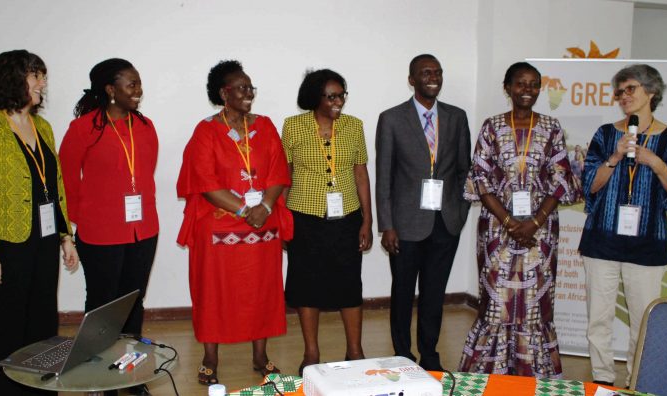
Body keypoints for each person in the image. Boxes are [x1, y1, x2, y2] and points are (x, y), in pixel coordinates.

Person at [0, 49, 78, 395]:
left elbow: (55, 185)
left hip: (41, 240)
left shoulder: (42, 126)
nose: (42, 83)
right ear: (12, 79)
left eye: (42, 76)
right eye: (34, 75)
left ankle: (38, 390)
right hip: (3, 243)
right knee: (2, 328)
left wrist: (65, 236)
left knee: (42, 324)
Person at [458, 62, 580, 378]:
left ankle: (532, 372)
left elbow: (562, 177)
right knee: (497, 300)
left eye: (534, 84)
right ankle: (491, 371)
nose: (527, 90)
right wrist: (511, 223)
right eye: (520, 83)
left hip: (541, 232)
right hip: (498, 229)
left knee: (535, 303)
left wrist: (535, 222)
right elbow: (479, 177)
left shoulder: (552, 127)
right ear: (508, 87)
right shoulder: (492, 126)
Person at [579, 64, 667, 386]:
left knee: (643, 321)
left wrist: (657, 164)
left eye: (631, 89)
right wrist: (615, 158)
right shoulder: (606, 134)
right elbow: (589, 185)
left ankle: (634, 383)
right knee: (598, 319)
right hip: (601, 241)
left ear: (651, 92)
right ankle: (602, 380)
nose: (624, 96)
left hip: (647, 244)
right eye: (620, 91)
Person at [177, 60, 292, 385]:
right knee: (213, 292)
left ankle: (260, 356)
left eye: (250, 88)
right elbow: (206, 183)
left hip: (262, 224)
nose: (248, 94)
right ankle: (210, 357)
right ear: (223, 93)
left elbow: (278, 172)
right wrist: (245, 211)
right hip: (219, 228)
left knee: (262, 292)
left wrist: (266, 206)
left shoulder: (265, 126)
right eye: (241, 88)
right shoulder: (206, 130)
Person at [59, 58, 158, 396]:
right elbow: (67, 181)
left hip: (143, 230)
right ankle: (101, 379)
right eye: (131, 84)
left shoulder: (144, 126)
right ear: (110, 90)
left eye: (139, 83)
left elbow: (144, 176)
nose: (138, 90)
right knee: (103, 308)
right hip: (100, 232)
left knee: (134, 302)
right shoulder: (84, 128)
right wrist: (78, 222)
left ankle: (131, 374)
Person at [375, 54, 471, 371]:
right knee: (402, 292)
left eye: (438, 72)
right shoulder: (391, 118)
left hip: (445, 222)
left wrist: (459, 212)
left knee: (434, 294)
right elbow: (384, 176)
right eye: (425, 72)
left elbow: (463, 171)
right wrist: (386, 225)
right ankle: (403, 355)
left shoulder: (457, 117)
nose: (433, 77)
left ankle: (429, 356)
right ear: (412, 79)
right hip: (404, 225)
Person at [281, 69, 372, 374]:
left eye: (342, 94)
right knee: (307, 286)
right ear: (314, 97)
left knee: (349, 284)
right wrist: (282, 219)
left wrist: (367, 221)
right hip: (305, 218)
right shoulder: (293, 126)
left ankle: (355, 351)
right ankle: (311, 353)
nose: (338, 102)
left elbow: (361, 174)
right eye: (331, 96)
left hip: (346, 217)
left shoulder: (354, 126)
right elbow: (285, 176)